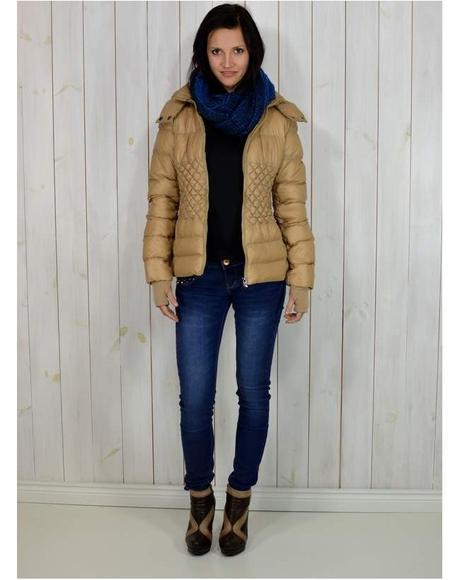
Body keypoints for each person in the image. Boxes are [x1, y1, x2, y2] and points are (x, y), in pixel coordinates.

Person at [142, 3, 315, 557]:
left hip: (261, 279)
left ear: (252, 52)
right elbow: (162, 202)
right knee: (196, 399)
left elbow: (292, 207)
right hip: (198, 279)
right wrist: (157, 273)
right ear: (203, 54)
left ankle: (239, 499)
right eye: (216, 50)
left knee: (252, 394)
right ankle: (200, 498)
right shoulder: (179, 117)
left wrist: (302, 278)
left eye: (237, 49)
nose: (227, 61)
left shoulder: (276, 119)